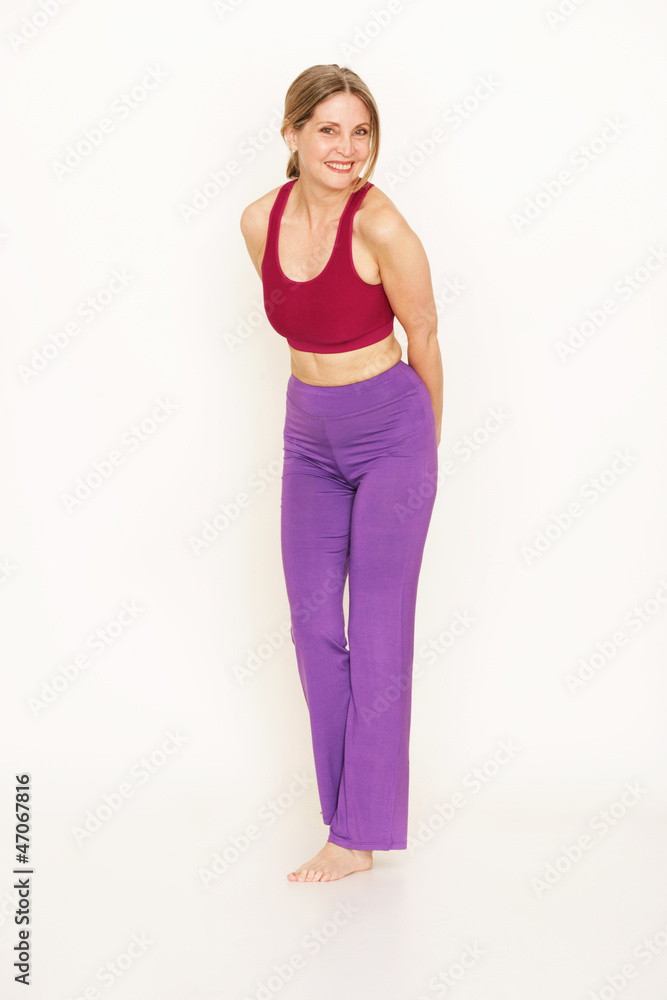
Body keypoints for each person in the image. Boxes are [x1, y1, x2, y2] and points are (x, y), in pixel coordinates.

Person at [240, 64, 443, 882]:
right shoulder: (258, 221)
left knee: (379, 636)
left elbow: (423, 336)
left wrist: (425, 452)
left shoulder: (381, 225)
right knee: (313, 627)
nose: (346, 148)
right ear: (291, 133)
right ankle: (344, 817)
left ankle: (356, 837)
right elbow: (302, 323)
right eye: (328, 129)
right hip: (308, 437)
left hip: (392, 432)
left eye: (361, 132)